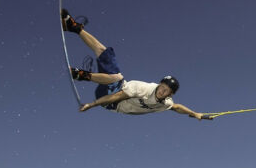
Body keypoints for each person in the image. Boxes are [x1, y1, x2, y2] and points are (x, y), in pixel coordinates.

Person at [61, 9, 210, 119]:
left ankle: (81, 74)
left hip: (112, 104)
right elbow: (117, 96)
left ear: (170, 94)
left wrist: (195, 114)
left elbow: (177, 107)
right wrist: (92, 105)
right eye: (162, 88)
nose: (162, 92)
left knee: (116, 78)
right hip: (112, 96)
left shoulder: (165, 103)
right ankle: (73, 27)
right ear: (159, 84)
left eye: (166, 92)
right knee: (104, 52)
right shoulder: (142, 88)